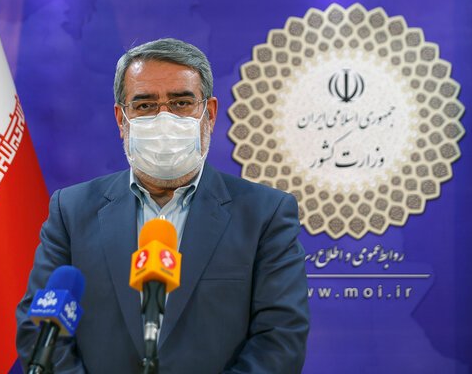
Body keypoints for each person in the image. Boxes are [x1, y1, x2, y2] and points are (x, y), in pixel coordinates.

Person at [16, 38, 310, 373]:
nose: (164, 120)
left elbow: (280, 340)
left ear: (210, 114)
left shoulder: (265, 214)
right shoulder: (71, 211)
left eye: (182, 103)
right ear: (121, 119)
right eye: (145, 106)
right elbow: (39, 330)